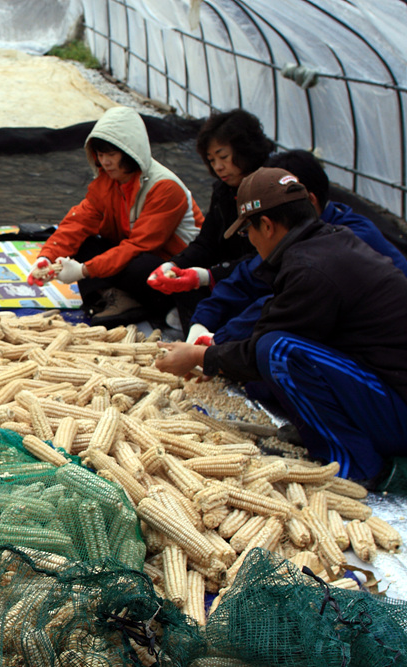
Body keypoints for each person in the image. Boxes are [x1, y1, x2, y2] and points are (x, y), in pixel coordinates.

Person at [156, 168, 407, 483]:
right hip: (384, 385)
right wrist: (213, 348)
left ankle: (355, 465)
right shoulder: (328, 242)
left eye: (249, 231)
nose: (250, 241)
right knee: (268, 356)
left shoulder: (312, 268)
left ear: (268, 226)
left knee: (278, 351)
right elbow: (269, 311)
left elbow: (263, 346)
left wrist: (199, 357)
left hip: (398, 407)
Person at [186, 150, 407, 345]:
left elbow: (284, 303)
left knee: (271, 351)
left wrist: (217, 344)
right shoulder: (297, 239)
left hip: (379, 355)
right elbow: (251, 275)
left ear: (307, 201)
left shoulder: (342, 243)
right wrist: (202, 322)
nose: (218, 166)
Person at [27, 106, 204, 327]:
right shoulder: (108, 182)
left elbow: (139, 246)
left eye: (111, 154)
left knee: (140, 265)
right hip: (133, 256)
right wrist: (48, 258)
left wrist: (83, 271)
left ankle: (168, 307)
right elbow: (78, 221)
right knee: (85, 245)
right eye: (100, 155)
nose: (105, 162)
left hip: (172, 265)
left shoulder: (165, 187)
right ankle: (120, 298)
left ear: (131, 152)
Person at [146, 109, 274, 327]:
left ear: (245, 149)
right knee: (166, 275)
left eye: (223, 157)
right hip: (225, 272)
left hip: (261, 281)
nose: (218, 167)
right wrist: (175, 264)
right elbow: (206, 242)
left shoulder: (270, 188)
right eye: (212, 160)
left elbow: (264, 259)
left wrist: (208, 275)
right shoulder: (223, 191)